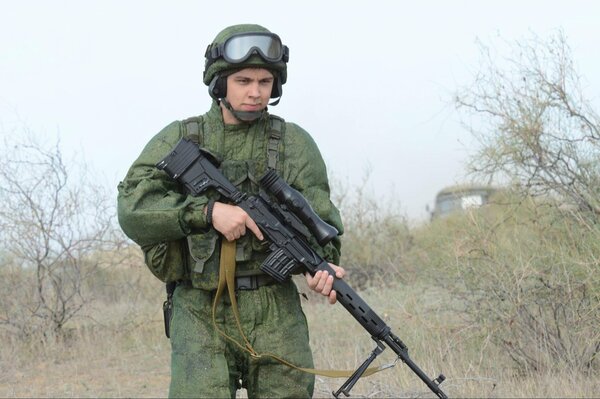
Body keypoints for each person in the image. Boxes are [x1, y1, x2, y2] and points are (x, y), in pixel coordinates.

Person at [117, 24, 345, 398]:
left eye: (265, 81)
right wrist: (207, 213)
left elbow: (322, 221)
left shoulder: (294, 144)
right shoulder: (181, 138)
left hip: (276, 312)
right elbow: (132, 208)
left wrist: (325, 267)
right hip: (199, 307)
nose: (255, 92)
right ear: (219, 83)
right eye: (243, 80)